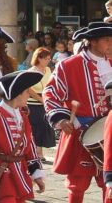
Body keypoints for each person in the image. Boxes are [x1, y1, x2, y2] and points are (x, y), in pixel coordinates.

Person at [43, 22, 112, 203]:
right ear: (93, 42)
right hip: (81, 131)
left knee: (109, 183)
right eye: (107, 40)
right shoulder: (69, 65)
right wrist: (61, 118)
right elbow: (51, 93)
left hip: (109, 131)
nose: (111, 43)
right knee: (77, 183)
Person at [0, 70, 46, 202]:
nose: (29, 94)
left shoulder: (23, 116)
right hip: (2, 175)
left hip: (20, 172)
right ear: (17, 94)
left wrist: (36, 174)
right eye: (26, 91)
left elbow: (30, 146)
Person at [27, 47, 55, 160]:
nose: (48, 61)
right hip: (33, 103)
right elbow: (28, 89)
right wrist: (40, 99)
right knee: (36, 127)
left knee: (45, 127)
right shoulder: (31, 72)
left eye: (49, 58)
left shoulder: (48, 70)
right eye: (46, 58)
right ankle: (37, 152)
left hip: (46, 101)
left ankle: (39, 150)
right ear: (39, 58)